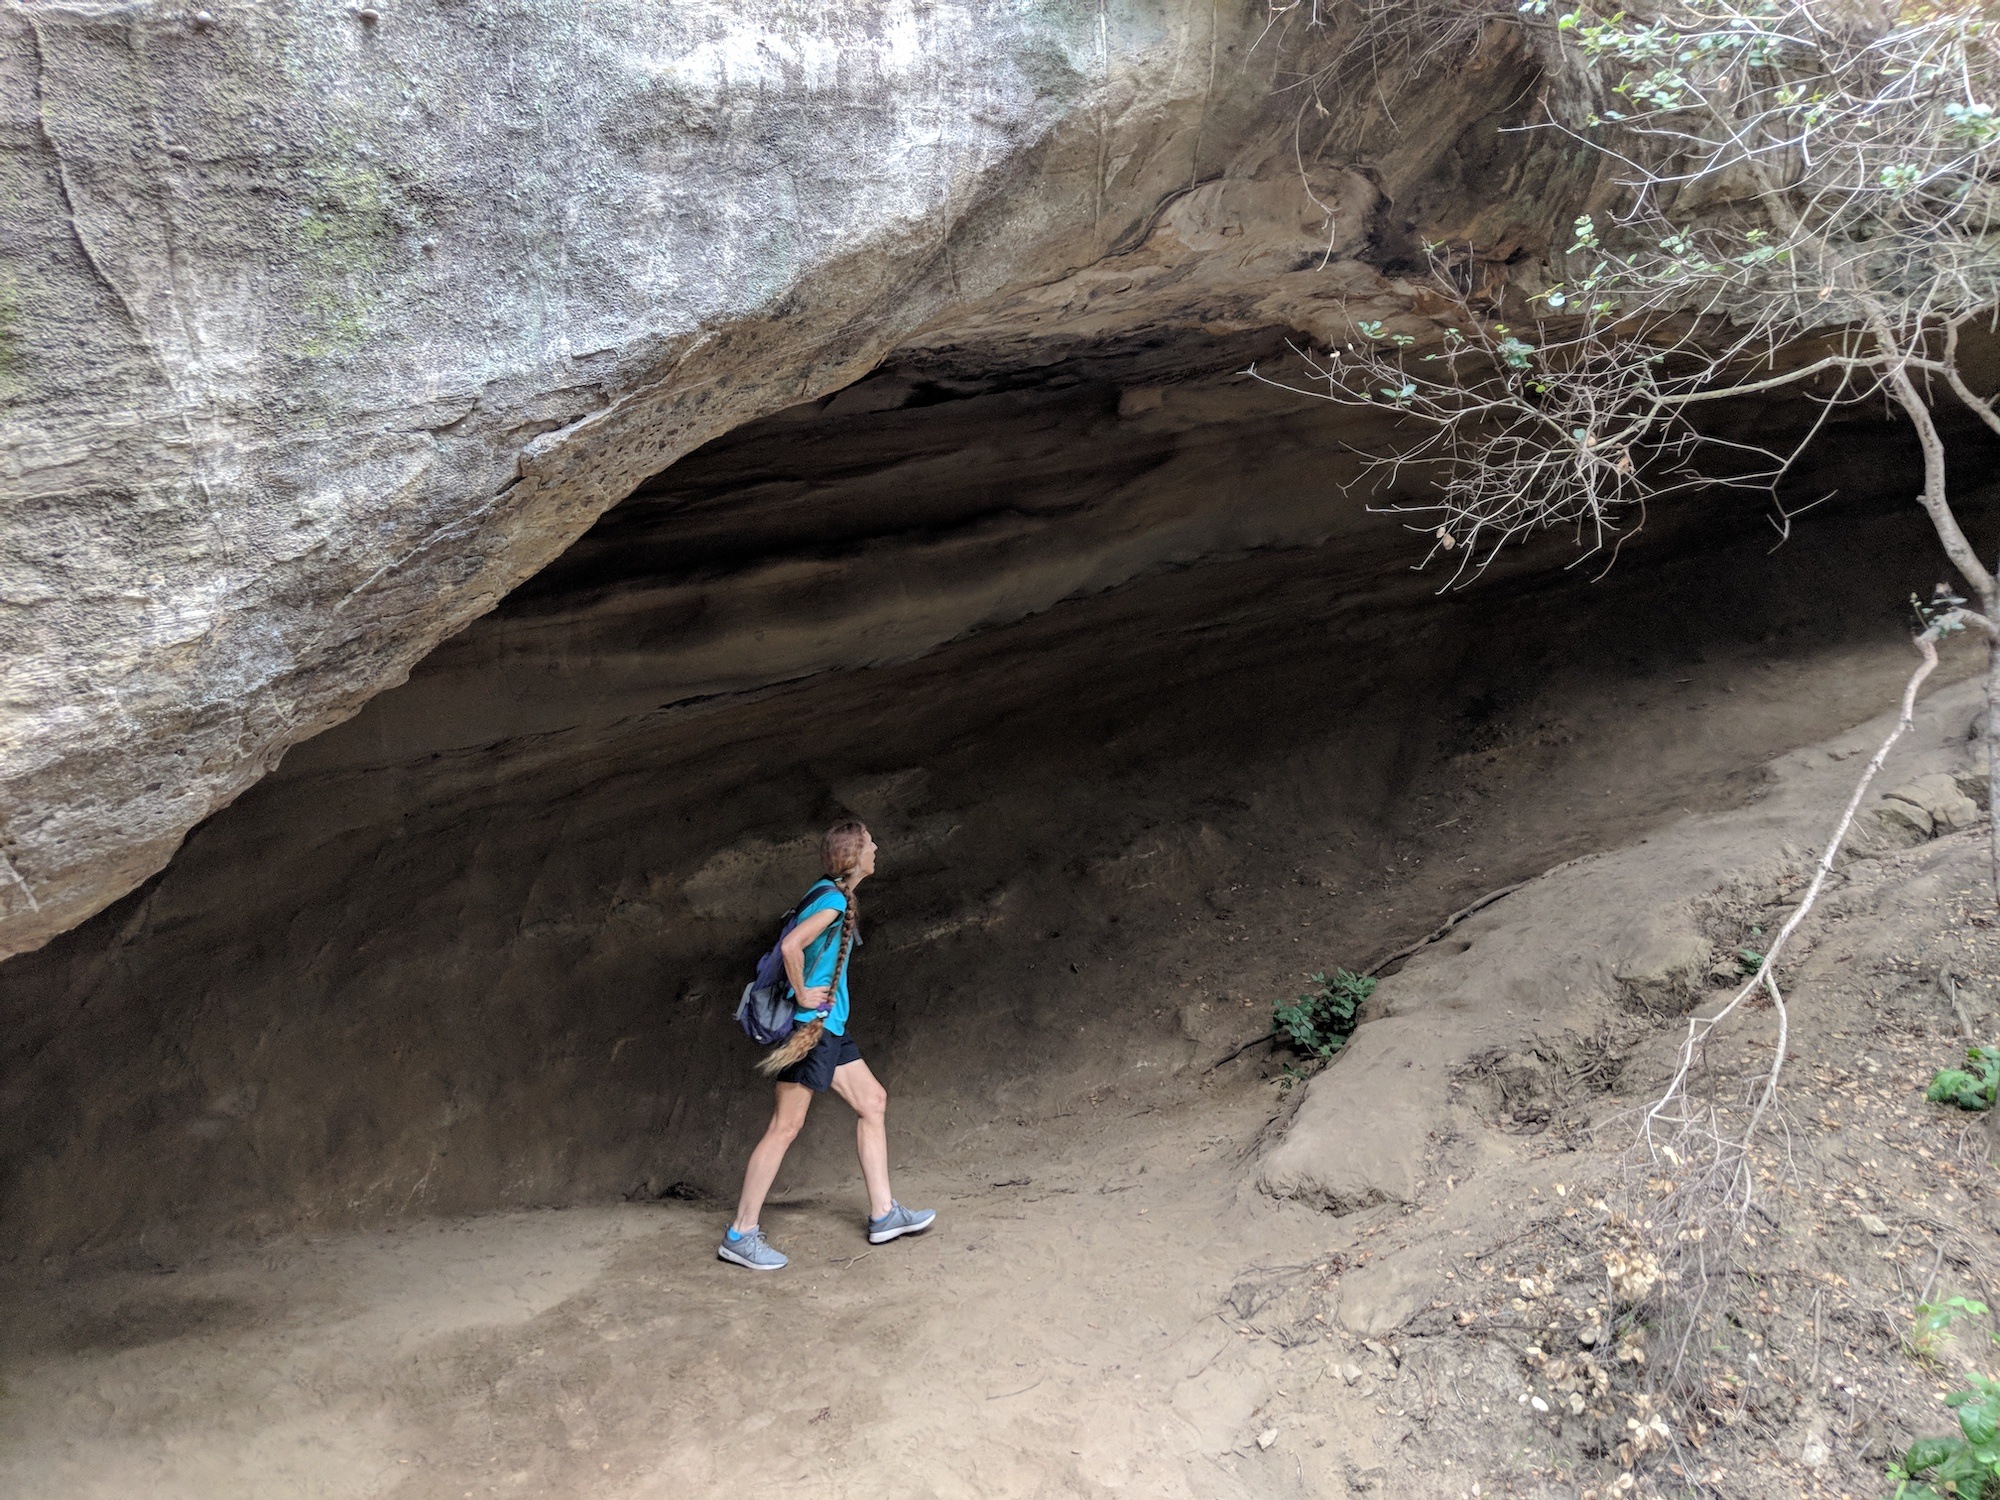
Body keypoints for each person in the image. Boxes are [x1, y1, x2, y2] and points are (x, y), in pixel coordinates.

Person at [718, 820, 935, 1271]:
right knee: (785, 1127)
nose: (876, 847)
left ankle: (884, 1214)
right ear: (854, 856)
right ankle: (740, 1233)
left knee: (872, 1101)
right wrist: (802, 995)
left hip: (830, 1028)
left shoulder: (830, 892)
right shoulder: (834, 901)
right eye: (870, 843)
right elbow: (794, 946)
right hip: (810, 1030)